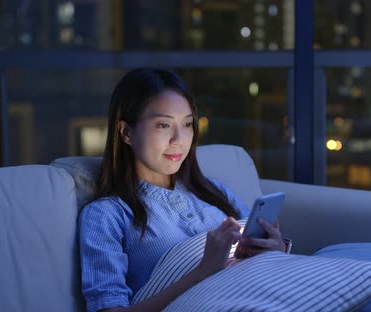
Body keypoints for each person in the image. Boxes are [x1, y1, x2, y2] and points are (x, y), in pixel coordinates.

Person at [79, 68, 287, 312]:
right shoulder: (106, 215)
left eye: (188, 123)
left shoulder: (216, 192)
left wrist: (277, 250)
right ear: (126, 132)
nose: (179, 139)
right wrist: (203, 271)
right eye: (164, 125)